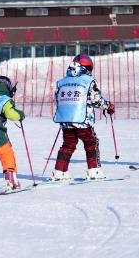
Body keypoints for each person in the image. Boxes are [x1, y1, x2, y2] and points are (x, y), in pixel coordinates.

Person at [51, 53, 115, 181]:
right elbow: (96, 100)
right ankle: (94, 170)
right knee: (91, 143)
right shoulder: (89, 81)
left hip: (66, 120)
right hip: (83, 121)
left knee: (68, 144)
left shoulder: (62, 82)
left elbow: (57, 100)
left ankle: (60, 171)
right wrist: (108, 106)